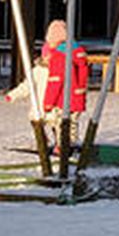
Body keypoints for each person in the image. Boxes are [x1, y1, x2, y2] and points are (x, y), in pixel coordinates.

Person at [40, 19, 89, 149]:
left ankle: (63, 148)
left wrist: (48, 102)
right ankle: (71, 144)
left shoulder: (59, 56)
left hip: (62, 98)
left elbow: (56, 81)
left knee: (61, 124)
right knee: (72, 123)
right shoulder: (78, 51)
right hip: (77, 96)